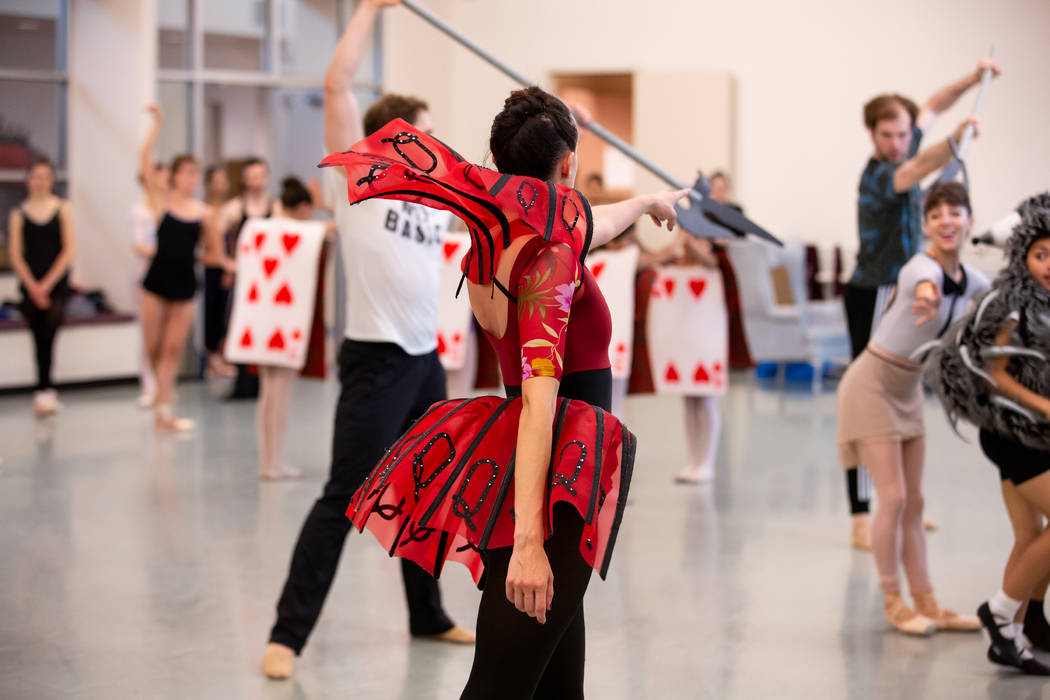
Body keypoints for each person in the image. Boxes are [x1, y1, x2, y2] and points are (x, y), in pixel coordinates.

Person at [327, 85, 688, 697]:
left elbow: (591, 224)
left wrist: (648, 202)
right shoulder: (550, 259)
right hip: (555, 481)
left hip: (522, 466)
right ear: (567, 166)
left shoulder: (493, 239)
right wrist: (528, 541)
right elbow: (541, 404)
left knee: (559, 686)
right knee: (498, 686)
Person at [261, 0, 471, 680]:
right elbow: (336, 86)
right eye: (425, 134)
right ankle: (287, 634)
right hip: (377, 361)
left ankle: (427, 615)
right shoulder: (358, 182)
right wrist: (372, 8)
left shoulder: (435, 198)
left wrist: (564, 132)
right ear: (392, 139)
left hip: (424, 361)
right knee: (344, 498)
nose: (436, 145)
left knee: (429, 494)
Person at [845, 56, 1000, 549]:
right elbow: (916, 169)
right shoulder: (879, 175)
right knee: (868, 404)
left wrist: (974, 77)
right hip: (876, 291)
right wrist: (956, 141)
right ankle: (861, 515)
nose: (898, 142)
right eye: (888, 135)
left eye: (903, 133)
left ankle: (901, 499)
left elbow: (934, 103)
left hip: (911, 287)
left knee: (905, 395)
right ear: (872, 134)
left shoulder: (908, 138)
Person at [837, 181, 990, 636]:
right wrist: (926, 294)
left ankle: (927, 601)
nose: (946, 221)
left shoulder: (975, 282)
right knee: (894, 498)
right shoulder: (919, 267)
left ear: (970, 222)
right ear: (925, 225)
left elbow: (999, 308)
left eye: (955, 213)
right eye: (936, 214)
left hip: (909, 391)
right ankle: (892, 601)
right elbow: (922, 282)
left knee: (915, 501)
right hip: (871, 386)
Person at [926, 192, 1050, 674]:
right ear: (1023, 256)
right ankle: (1000, 614)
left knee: (1029, 535)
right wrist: (1044, 406)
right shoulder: (1013, 305)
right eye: (1041, 255)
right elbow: (994, 376)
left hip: (1036, 434)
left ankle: (1017, 632)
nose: (1049, 265)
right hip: (1014, 432)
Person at [138, 104, 226, 431]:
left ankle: (164, 409)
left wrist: (193, 258)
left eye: (196, 174)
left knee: (172, 348)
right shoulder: (161, 202)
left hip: (185, 283)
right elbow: (144, 163)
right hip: (156, 280)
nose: (191, 179)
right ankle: (159, 393)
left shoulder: (205, 213)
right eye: (186, 172)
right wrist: (157, 125)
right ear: (174, 176)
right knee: (153, 346)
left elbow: (216, 254)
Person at [254, 177, 331, 481]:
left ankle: (267, 461)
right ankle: (274, 463)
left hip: (264, 321)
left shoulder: (264, 228)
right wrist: (325, 204)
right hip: (287, 326)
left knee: (267, 393)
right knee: (281, 396)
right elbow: (341, 226)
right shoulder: (304, 232)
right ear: (302, 208)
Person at [7, 158, 75, 416]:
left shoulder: (62, 209)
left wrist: (46, 285)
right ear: (29, 180)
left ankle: (48, 389)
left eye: (45, 177)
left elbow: (68, 250)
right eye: (36, 176)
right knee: (37, 334)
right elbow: (16, 255)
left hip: (55, 282)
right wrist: (34, 287)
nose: (40, 182)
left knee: (50, 331)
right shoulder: (18, 214)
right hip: (30, 283)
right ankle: (42, 389)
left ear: (51, 180)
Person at [208, 158, 275, 385]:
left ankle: (261, 375)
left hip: (267, 277)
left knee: (265, 324)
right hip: (244, 278)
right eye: (252, 177)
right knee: (239, 323)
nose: (256, 181)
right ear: (245, 180)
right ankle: (243, 377)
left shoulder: (275, 208)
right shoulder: (235, 209)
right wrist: (226, 262)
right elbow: (214, 235)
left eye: (260, 176)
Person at [129, 160, 170, 408]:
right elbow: (139, 245)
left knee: (168, 335)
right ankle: (148, 384)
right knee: (149, 332)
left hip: (169, 275)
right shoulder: (140, 210)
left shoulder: (171, 208)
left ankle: (164, 384)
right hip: (146, 276)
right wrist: (166, 252)